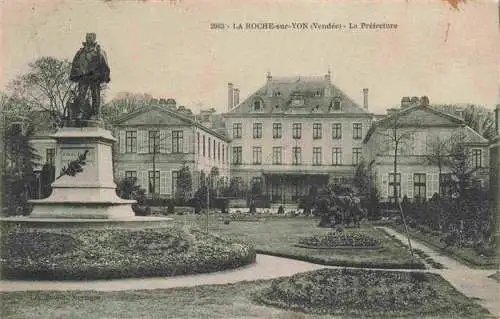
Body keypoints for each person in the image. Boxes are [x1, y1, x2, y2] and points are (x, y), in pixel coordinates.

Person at [69, 33, 110, 120]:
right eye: (87, 37)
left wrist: (104, 75)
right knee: (81, 95)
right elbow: (75, 63)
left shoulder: (99, 51)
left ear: (94, 39)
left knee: (95, 95)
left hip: (95, 77)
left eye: (90, 37)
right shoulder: (80, 52)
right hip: (83, 76)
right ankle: (80, 112)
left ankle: (95, 113)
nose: (88, 39)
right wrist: (76, 73)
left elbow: (104, 64)